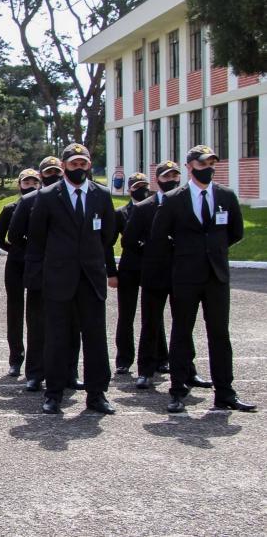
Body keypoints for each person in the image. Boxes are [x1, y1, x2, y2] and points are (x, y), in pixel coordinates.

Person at [150, 145, 256, 413]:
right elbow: (159, 236)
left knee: (220, 334)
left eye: (211, 164)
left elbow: (235, 232)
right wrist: (184, 256)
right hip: (185, 276)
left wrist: (213, 252)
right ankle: (177, 391)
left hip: (216, 276)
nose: (207, 169)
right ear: (189, 167)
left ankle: (225, 392)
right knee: (182, 333)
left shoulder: (225, 196)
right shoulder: (174, 198)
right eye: (201, 164)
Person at [28, 143, 118, 415]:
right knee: (56, 338)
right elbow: (37, 240)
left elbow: (108, 235)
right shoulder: (46, 196)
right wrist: (37, 277)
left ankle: (97, 394)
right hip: (58, 278)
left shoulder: (101, 194)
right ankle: (54, 393)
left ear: (89, 165)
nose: (79, 168)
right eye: (73, 163)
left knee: (95, 337)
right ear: (65, 165)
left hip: (91, 278)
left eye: (83, 163)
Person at [122, 160, 208, 390]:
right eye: (166, 177)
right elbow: (128, 241)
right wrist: (150, 251)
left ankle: (188, 371)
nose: (171, 180)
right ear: (157, 179)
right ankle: (146, 371)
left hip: (182, 273)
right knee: (150, 323)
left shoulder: (187, 203)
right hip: (154, 273)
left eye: (174, 176)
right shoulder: (144, 207)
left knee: (183, 324)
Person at [7, 157, 82, 393]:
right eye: (48, 172)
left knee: (72, 326)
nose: (53, 176)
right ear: (41, 175)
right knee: (37, 326)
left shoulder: (74, 197)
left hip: (69, 273)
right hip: (41, 273)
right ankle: (35, 373)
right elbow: (15, 235)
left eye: (56, 172)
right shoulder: (29, 201)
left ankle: (70, 371)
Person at [0, 168, 41, 377]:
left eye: (34, 181)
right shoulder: (9, 208)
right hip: (15, 265)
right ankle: (15, 357)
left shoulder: (43, 206)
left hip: (37, 266)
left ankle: (36, 358)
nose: (30, 185)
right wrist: (16, 251)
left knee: (36, 312)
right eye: (26, 181)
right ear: (19, 184)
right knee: (15, 312)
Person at [113, 173, 150, 374]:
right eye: (137, 186)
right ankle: (124, 359)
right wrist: (111, 271)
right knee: (126, 315)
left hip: (151, 266)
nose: (141, 189)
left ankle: (159, 357)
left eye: (144, 185)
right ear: (129, 190)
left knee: (152, 315)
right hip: (129, 267)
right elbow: (109, 241)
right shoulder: (121, 213)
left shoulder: (156, 209)